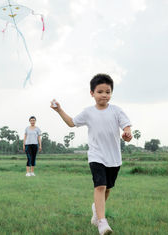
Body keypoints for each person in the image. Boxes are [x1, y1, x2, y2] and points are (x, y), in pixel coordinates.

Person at [50, 73, 132, 235]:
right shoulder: (88, 112)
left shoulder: (117, 111)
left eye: (107, 92)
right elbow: (71, 123)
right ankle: (102, 223)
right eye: (100, 91)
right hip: (96, 156)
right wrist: (59, 110)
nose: (104, 95)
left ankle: (96, 209)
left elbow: (127, 128)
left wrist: (127, 134)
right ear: (92, 93)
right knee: (100, 186)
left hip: (114, 158)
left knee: (108, 188)